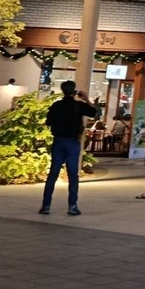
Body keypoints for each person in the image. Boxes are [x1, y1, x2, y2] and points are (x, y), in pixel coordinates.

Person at [39, 80, 96, 216]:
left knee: (53, 174)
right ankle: (72, 206)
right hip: (72, 142)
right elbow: (94, 112)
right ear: (74, 91)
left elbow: (48, 122)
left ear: (62, 91)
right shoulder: (78, 105)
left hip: (58, 141)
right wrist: (86, 98)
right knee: (73, 175)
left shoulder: (56, 105)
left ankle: (46, 206)